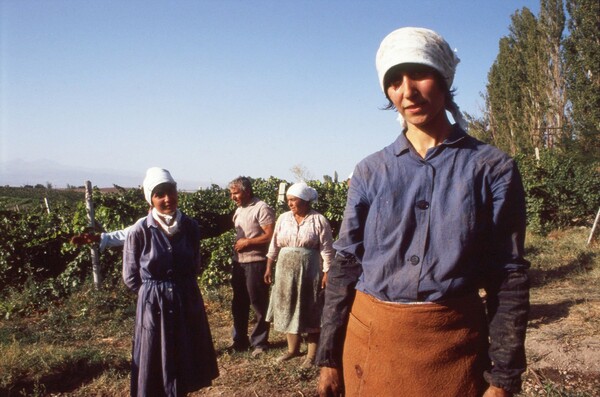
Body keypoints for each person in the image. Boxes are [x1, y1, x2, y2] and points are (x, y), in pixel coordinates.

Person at [316, 27, 530, 397]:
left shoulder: (492, 168)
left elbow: (507, 276)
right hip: (373, 343)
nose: (408, 91)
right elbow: (346, 263)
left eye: (419, 74)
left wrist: (503, 378)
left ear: (445, 80)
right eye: (394, 81)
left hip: (454, 347)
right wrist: (328, 357)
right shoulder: (370, 171)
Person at [123, 167, 219, 396]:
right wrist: (153, 293)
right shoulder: (140, 230)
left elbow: (194, 264)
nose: (167, 199)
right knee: (156, 357)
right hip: (153, 303)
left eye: (171, 191)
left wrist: (179, 288)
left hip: (186, 298)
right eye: (160, 194)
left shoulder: (190, 227)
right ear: (151, 198)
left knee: (185, 354)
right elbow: (130, 276)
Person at [263, 182, 334, 368]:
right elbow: (274, 244)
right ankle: (292, 350)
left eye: (293, 200)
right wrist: (269, 266)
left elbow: (327, 250)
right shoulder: (283, 218)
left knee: (310, 308)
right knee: (287, 305)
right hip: (285, 270)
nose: (290, 203)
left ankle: (311, 355)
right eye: (288, 200)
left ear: (305, 201)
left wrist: (327, 272)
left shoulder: (319, 220)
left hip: (310, 270)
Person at [228, 176, 275, 357]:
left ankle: (260, 342)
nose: (233, 197)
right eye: (231, 193)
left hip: (256, 262)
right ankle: (239, 340)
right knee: (238, 303)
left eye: (236, 193)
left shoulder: (261, 208)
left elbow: (270, 235)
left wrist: (248, 242)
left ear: (247, 191)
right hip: (239, 263)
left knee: (258, 303)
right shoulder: (240, 209)